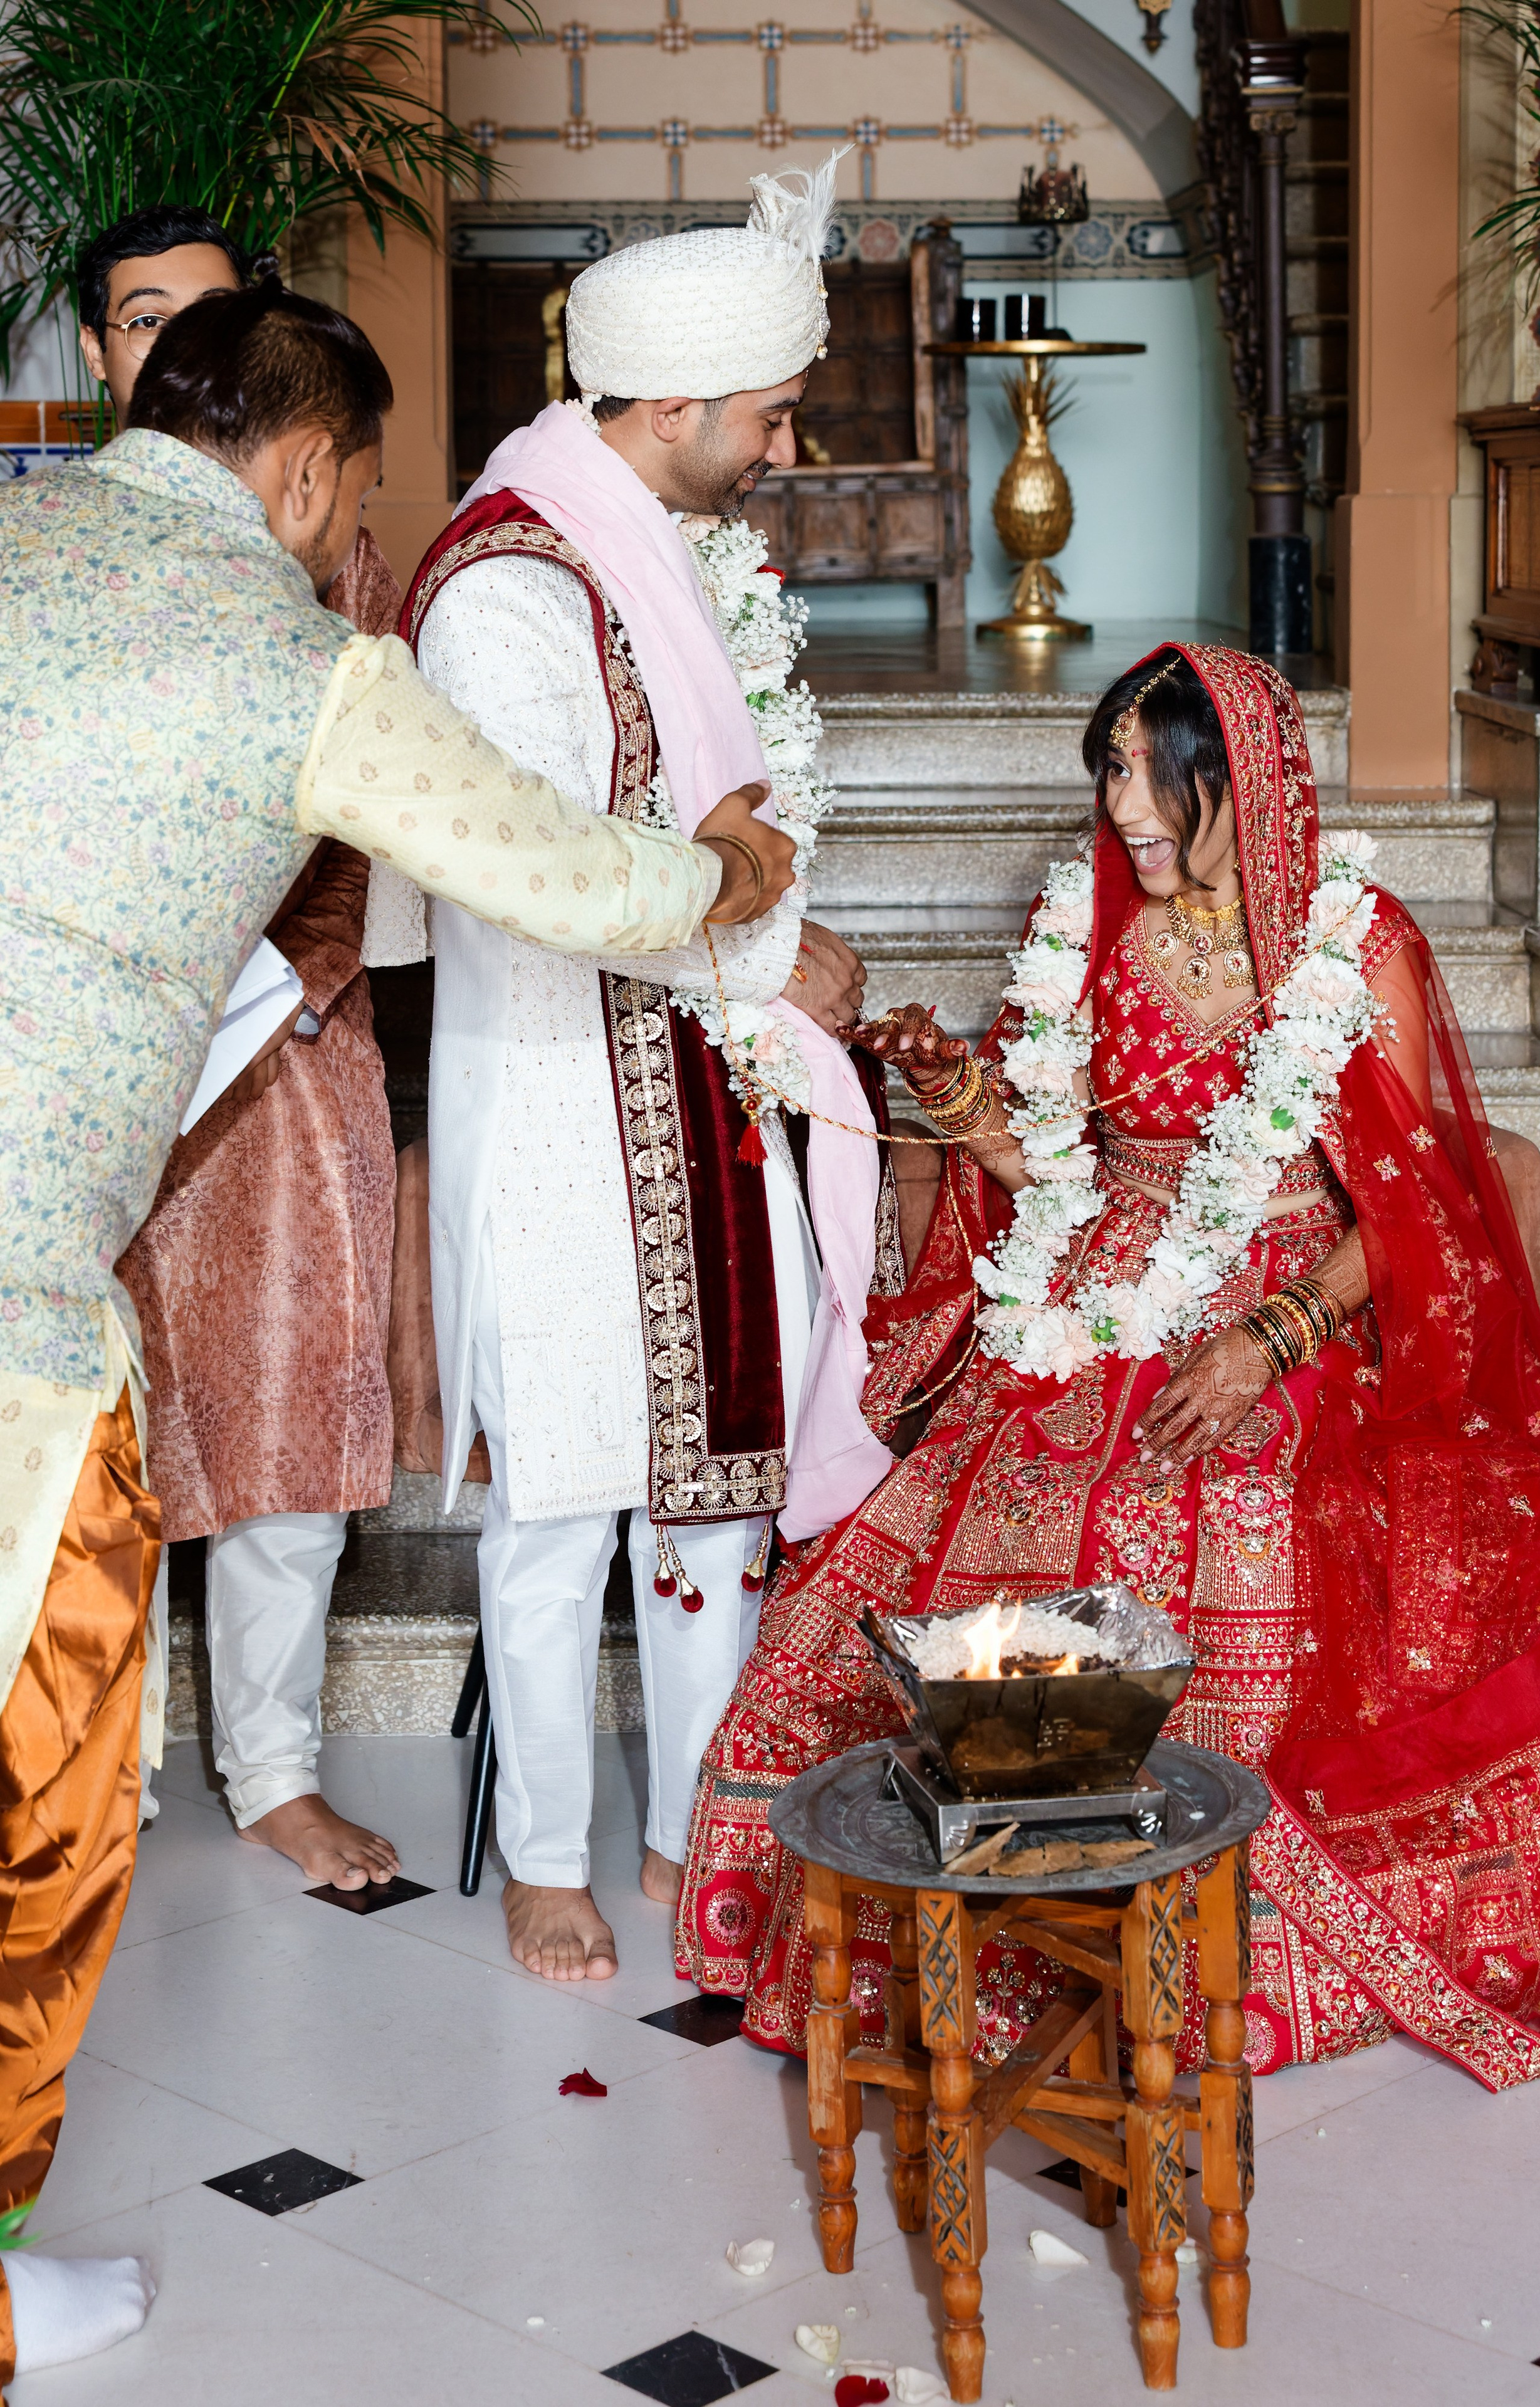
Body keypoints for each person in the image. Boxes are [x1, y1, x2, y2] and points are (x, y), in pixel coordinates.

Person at [0, 279, 788, 2386]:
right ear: (298, 467)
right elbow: (556, 874)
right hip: (13, 1325)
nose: (357, 531)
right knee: (36, 1804)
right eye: (353, 491)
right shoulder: (300, 666)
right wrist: (717, 877)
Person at [678, 641, 1540, 2093]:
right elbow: (1043, 1165)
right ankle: (980, 1891)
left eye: (1143, 776)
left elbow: (1413, 1203)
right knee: (980, 1518)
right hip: (1097, 1277)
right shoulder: (1090, 921)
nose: (1117, 809)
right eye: (1106, 774)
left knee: (1212, 1492)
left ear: (1237, 784)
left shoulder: (1353, 939)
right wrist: (953, 1090)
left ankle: (1182, 1910)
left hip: (1290, 1289)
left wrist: (1266, 1337)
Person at [399, 149, 889, 1987]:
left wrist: (760, 931)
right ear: (670, 407)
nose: (785, 447)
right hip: (557, 1100)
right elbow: (547, 881)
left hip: (695, 1086)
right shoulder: (505, 589)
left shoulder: (659, 553)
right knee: (562, 1490)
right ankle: (548, 1856)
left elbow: (718, 824)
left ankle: (694, 1823)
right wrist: (760, 929)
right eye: (769, 415)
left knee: (714, 1490)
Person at [83, 208, 411, 1887]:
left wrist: (260, 997)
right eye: (149, 320)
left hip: (279, 1048)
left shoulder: (332, 548)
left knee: (287, 1416)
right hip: (86, 1063)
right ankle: (91, 1770)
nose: (182, 348)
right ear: (102, 354)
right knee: (88, 1429)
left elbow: (360, 837)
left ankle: (273, 1771)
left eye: (213, 320)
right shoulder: (64, 543)